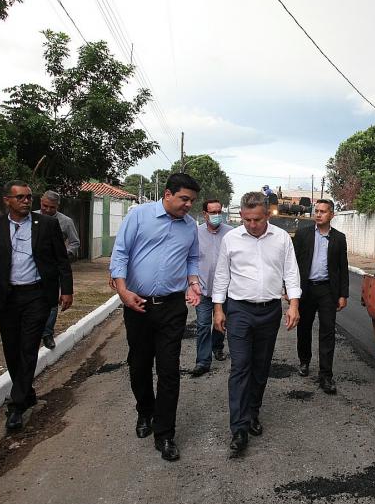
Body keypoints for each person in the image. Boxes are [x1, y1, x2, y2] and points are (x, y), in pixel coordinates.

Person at [0, 181, 73, 431]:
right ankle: (27, 391)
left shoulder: (46, 225)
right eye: (20, 197)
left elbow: (61, 260)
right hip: (7, 297)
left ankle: (17, 404)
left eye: (28, 197)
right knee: (11, 348)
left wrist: (66, 290)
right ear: (7, 200)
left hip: (37, 295)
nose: (26, 201)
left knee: (28, 346)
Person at [110, 173, 201, 462]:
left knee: (169, 369)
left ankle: (165, 434)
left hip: (172, 307)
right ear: (167, 194)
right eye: (184, 199)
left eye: (192, 201)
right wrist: (123, 291)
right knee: (138, 364)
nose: (188, 205)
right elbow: (121, 252)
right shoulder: (139, 215)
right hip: (138, 305)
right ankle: (145, 412)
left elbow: (192, 259)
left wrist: (193, 281)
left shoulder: (190, 227)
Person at [213, 191, 301, 456]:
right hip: (239, 310)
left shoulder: (282, 238)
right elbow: (221, 275)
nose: (252, 225)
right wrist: (218, 308)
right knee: (240, 366)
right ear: (241, 215)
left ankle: (253, 412)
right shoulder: (230, 239)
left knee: (261, 366)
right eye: (248, 219)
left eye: (258, 220)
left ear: (267, 216)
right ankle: (238, 428)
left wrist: (294, 305)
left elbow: (291, 272)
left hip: (269, 311)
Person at [292, 199, 348, 394]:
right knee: (304, 328)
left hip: (327, 291)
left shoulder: (339, 238)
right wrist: (290, 290)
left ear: (331, 215)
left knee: (327, 332)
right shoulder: (303, 234)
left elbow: (343, 268)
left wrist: (343, 294)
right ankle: (304, 361)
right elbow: (292, 264)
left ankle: (326, 376)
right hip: (306, 289)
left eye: (323, 211)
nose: (318, 214)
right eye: (316, 211)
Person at [35, 190, 81, 350]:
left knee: (52, 301)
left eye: (51, 208)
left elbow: (75, 243)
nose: (47, 210)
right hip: (32, 267)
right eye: (44, 206)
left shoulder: (65, 222)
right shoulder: (30, 217)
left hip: (53, 268)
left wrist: (64, 255)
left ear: (57, 206)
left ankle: (47, 333)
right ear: (40, 201)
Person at [192, 199, 233, 376]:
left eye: (219, 211)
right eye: (213, 212)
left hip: (224, 291)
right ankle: (202, 361)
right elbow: (190, 260)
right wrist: (191, 284)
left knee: (220, 322)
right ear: (205, 214)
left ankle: (217, 347)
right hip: (203, 289)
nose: (217, 215)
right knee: (202, 325)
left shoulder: (231, 233)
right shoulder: (195, 233)